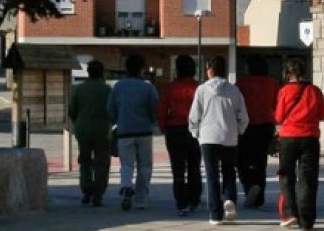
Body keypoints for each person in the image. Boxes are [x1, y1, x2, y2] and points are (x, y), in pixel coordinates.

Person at [189, 55, 248, 226]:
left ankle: (216, 214)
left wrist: (195, 133)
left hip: (208, 136)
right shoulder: (234, 90)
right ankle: (229, 198)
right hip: (229, 136)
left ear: (210, 70)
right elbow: (243, 116)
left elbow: (194, 116)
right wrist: (238, 130)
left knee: (212, 174)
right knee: (229, 171)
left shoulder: (201, 90)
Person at [275, 58, 324, 230]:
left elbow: (279, 117)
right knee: (308, 179)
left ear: (288, 73)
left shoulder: (284, 91)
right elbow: (323, 114)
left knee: (286, 176)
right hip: (310, 138)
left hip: (288, 138)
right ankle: (306, 221)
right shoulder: (315, 91)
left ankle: (290, 213)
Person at [106, 53, 158, 211]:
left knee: (127, 163)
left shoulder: (118, 86)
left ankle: (126, 185)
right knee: (145, 165)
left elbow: (110, 109)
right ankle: (141, 199)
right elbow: (154, 108)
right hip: (144, 131)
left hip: (124, 131)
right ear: (141, 69)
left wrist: (117, 120)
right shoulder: (148, 87)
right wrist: (152, 121)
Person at [158, 54, 202, 216]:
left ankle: (181, 200)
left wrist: (163, 127)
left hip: (175, 130)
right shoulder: (199, 87)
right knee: (194, 166)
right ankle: (194, 198)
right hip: (195, 130)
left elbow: (162, 109)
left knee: (178, 168)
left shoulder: (170, 87)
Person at [236, 53, 279, 208]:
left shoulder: (242, 83)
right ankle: (259, 196)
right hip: (266, 125)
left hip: (246, 127)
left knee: (242, 161)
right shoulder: (272, 83)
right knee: (261, 163)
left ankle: (249, 187)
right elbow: (276, 105)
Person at [68, 59, 112, 207]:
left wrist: (78, 121)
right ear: (102, 73)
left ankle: (87, 190)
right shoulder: (107, 90)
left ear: (88, 72)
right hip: (102, 130)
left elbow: (72, 110)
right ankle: (98, 193)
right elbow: (112, 110)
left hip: (83, 129)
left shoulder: (79, 89)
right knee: (102, 163)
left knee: (85, 162)